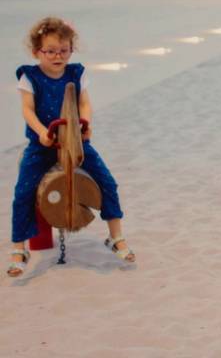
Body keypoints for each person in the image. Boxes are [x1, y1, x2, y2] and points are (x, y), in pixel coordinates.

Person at [8, 17, 135, 277]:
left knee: (107, 182)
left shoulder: (76, 73)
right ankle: (20, 248)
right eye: (51, 51)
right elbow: (28, 110)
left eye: (63, 51)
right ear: (37, 52)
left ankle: (115, 236)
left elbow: (84, 103)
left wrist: (85, 124)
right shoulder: (29, 76)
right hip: (43, 144)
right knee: (23, 192)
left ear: (70, 50)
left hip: (74, 141)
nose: (57, 56)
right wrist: (43, 132)